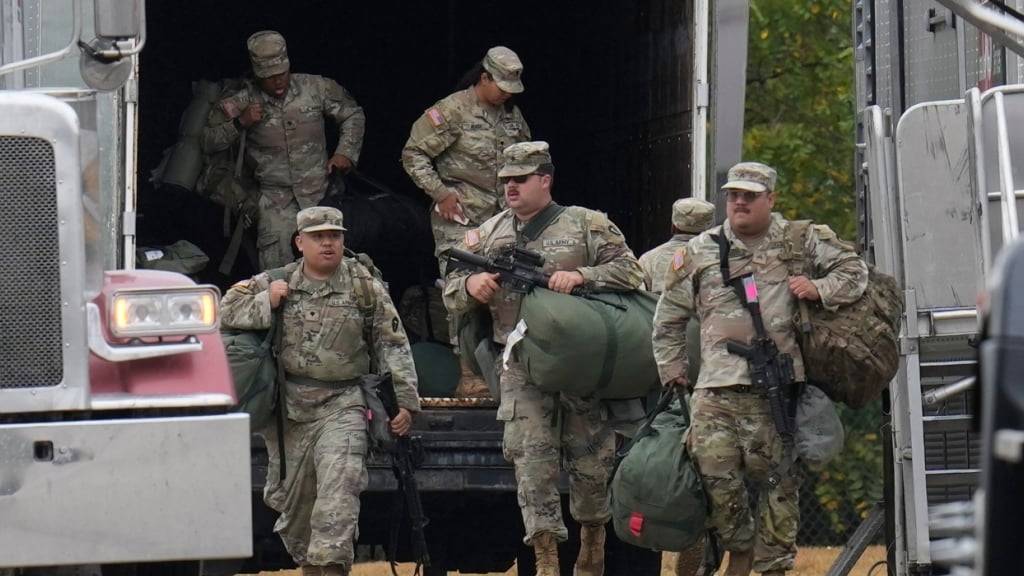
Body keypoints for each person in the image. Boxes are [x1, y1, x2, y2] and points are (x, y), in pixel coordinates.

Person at [651, 162, 868, 576]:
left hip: (779, 394)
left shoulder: (801, 240)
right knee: (714, 476)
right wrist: (672, 367)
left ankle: (773, 566)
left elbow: (854, 272)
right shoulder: (701, 249)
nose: (739, 202)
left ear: (771, 198)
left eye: (750, 195)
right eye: (733, 195)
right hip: (715, 390)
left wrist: (819, 289)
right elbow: (668, 317)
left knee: (780, 487)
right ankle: (738, 546)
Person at [443, 141, 644, 576]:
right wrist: (471, 284)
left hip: (578, 366)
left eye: (520, 179)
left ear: (545, 180)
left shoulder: (588, 224)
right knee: (531, 463)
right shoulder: (488, 232)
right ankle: (546, 558)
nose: (511, 187)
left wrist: (582, 276)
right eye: (505, 180)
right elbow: (451, 289)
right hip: (519, 365)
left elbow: (632, 273)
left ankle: (593, 539)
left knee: (591, 464)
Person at [221, 206, 421, 576]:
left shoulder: (365, 287)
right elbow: (223, 311)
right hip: (290, 410)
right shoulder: (277, 280)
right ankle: (314, 566)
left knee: (339, 491)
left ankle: (331, 568)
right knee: (295, 507)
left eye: (335, 236)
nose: (328, 243)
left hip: (345, 404)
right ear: (300, 243)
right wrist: (267, 301)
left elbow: (393, 343)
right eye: (318, 237)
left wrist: (405, 402)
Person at [402, 46, 532, 397]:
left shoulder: (511, 117)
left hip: (503, 221)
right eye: (501, 85)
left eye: (512, 87)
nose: (506, 93)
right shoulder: (452, 111)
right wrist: (440, 193)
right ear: (484, 77)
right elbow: (413, 154)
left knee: (506, 293)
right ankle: (468, 376)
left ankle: (505, 373)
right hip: (461, 220)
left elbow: (526, 163)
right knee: (462, 292)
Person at [203, 31, 366, 270]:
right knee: (278, 280)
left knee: (333, 273)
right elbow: (208, 142)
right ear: (257, 75)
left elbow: (353, 113)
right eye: (269, 78)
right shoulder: (240, 100)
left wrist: (345, 153)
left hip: (322, 195)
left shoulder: (316, 88)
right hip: (274, 204)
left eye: (282, 74)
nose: (278, 82)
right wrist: (240, 123)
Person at [638, 197, 716, 293]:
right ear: (710, 228)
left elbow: (639, 300)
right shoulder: (724, 259)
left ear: (673, 227)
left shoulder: (648, 259)